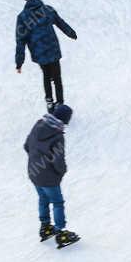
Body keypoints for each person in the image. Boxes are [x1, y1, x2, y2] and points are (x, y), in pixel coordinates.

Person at [15, 0, 77, 108]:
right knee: (57, 78)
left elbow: (20, 41)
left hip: (39, 53)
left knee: (46, 76)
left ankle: (50, 103)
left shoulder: (22, 18)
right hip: (53, 49)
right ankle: (60, 104)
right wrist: (71, 33)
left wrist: (19, 62)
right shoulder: (47, 10)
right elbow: (60, 23)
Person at [24, 103, 79, 248]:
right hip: (48, 176)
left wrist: (36, 160)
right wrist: (61, 171)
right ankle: (61, 232)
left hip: (33, 171)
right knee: (57, 202)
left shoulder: (38, 125)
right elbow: (58, 160)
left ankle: (45, 227)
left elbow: (26, 145)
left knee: (43, 198)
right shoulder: (57, 136)